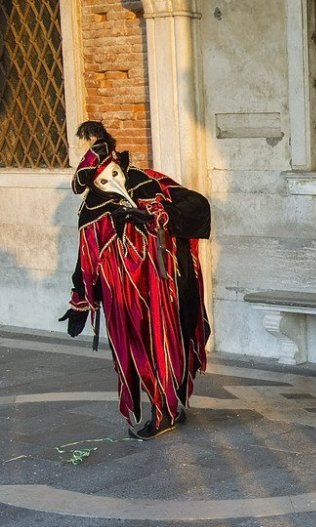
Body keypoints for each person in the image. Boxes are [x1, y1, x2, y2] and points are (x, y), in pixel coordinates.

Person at [60, 121, 211, 439]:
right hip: (124, 300)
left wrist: (159, 214)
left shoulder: (148, 182)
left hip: (163, 288)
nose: (112, 181)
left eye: (114, 172)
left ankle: (168, 410)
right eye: (103, 179)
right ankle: (163, 409)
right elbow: (86, 260)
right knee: (141, 353)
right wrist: (80, 302)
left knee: (168, 345)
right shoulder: (92, 212)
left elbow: (196, 205)